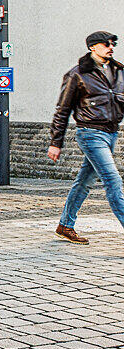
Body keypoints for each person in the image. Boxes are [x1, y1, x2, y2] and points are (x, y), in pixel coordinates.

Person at [48, 31, 124, 245]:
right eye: (105, 44)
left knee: (84, 181)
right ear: (92, 47)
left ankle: (65, 225)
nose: (110, 47)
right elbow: (62, 110)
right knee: (113, 180)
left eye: (112, 44)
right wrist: (56, 142)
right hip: (90, 133)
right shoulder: (78, 74)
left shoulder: (119, 72)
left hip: (111, 133)